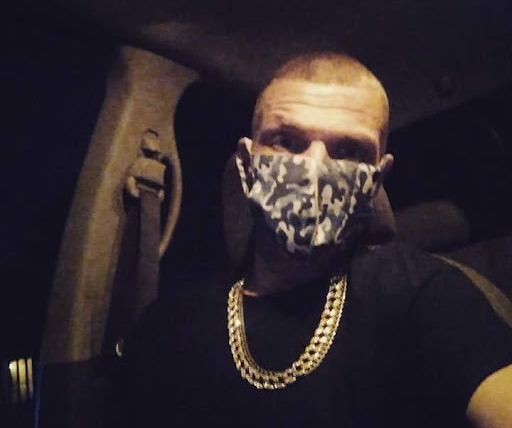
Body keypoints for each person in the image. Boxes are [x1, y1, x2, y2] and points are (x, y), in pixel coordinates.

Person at [123, 53, 512, 428]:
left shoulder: (425, 294)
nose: (314, 167)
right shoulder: (171, 322)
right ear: (247, 164)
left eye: (348, 150)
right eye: (287, 141)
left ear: (376, 178)